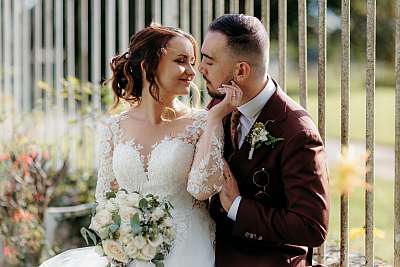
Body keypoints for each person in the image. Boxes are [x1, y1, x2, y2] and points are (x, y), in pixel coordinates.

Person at [40, 24, 239, 267]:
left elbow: (201, 188)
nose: (191, 71)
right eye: (181, 60)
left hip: (190, 249)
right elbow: (105, 199)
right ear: (147, 65)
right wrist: (117, 237)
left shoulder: (203, 122)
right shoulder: (115, 127)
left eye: (192, 62)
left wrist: (216, 118)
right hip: (129, 253)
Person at [201, 14, 330, 267]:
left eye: (209, 61)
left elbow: (312, 226)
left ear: (241, 70)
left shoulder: (298, 132)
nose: (200, 68)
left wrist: (238, 207)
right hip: (210, 251)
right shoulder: (218, 104)